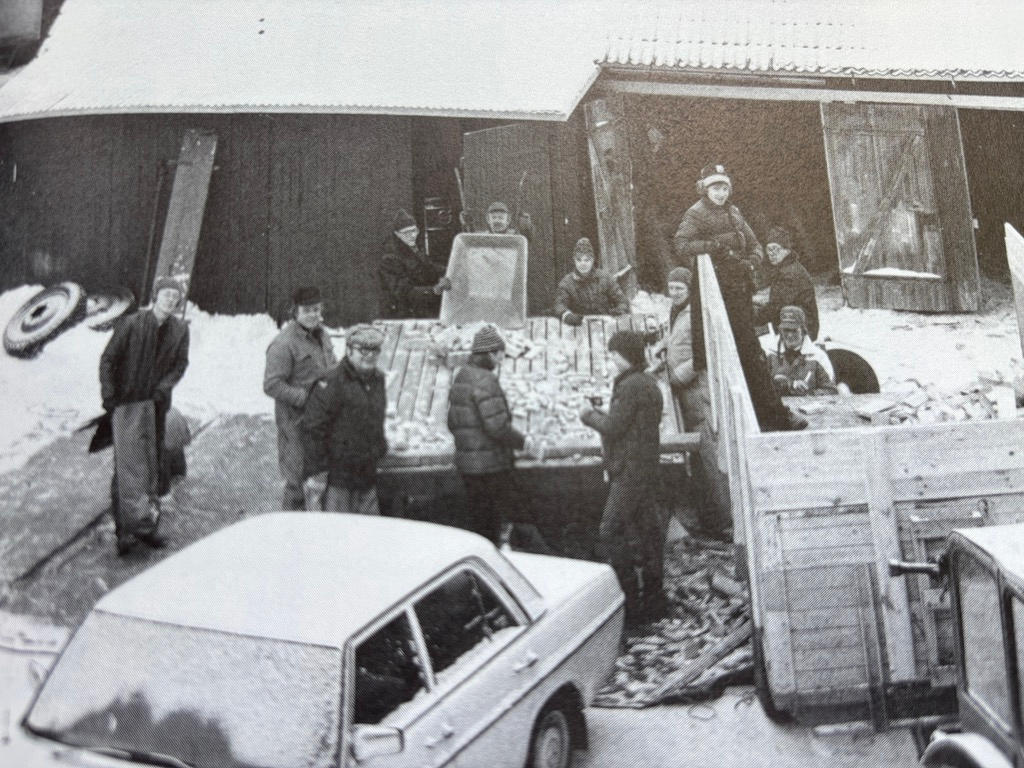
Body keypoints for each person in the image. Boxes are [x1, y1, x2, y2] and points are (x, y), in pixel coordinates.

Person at [674, 163, 806, 431]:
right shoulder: (696, 213)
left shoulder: (734, 212)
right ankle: (765, 414)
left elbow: (754, 244)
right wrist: (713, 247)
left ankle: (765, 413)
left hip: (740, 290)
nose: (721, 193)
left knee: (750, 352)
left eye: (724, 188)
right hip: (717, 295)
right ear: (705, 189)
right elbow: (682, 244)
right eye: (715, 188)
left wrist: (753, 260)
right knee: (737, 352)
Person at [98, 276, 189, 555]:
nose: (170, 300)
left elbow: (180, 364)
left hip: (157, 405)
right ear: (155, 297)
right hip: (128, 404)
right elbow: (108, 359)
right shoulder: (131, 324)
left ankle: (146, 526)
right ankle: (124, 532)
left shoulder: (179, 329)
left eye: (175, 296)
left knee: (151, 464)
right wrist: (109, 394)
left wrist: (164, 387)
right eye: (166, 294)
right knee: (127, 467)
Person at [580, 330, 666, 623]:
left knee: (610, 529)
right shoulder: (647, 383)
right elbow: (629, 422)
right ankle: (654, 600)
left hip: (630, 470)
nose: (612, 360)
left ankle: (629, 599)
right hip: (645, 466)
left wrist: (588, 415)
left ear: (625, 355)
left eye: (614, 354)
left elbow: (614, 427)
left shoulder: (631, 386)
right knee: (648, 532)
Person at [447, 325, 537, 544]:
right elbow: (497, 427)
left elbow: (452, 421)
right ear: (490, 354)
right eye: (500, 355)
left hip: (468, 466)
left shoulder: (462, 375)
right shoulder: (486, 380)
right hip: (491, 466)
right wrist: (524, 442)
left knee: (482, 523)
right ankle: (536, 553)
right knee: (517, 514)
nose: (501, 360)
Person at [263, 286, 337, 510]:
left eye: (316, 309)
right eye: (307, 310)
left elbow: (331, 366)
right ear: (295, 312)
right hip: (295, 423)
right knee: (296, 481)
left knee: (321, 478)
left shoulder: (322, 335)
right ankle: (290, 525)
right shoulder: (283, 344)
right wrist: (306, 398)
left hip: (321, 420)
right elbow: (272, 385)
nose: (313, 315)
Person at [302, 324, 388, 514]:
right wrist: (317, 475)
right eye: (363, 350)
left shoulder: (378, 380)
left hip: (367, 476)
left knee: (369, 530)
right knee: (337, 529)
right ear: (349, 350)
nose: (370, 355)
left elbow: (376, 421)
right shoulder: (331, 382)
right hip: (338, 481)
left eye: (375, 350)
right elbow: (314, 430)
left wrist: (380, 448)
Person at [379, 209, 450, 319]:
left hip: (420, 308)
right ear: (397, 234)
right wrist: (435, 290)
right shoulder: (390, 258)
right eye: (406, 233)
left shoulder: (413, 249)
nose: (412, 235)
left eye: (414, 231)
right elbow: (403, 292)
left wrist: (450, 270)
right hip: (404, 313)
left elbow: (429, 267)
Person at [755, 225, 820, 341]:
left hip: (801, 331)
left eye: (775, 249)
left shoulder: (789, 274)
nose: (771, 254)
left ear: (787, 250)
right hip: (799, 326)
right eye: (768, 249)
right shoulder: (788, 268)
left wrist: (752, 317)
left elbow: (776, 307)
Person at [553, 237, 629, 325]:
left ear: (592, 260)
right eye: (579, 260)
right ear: (574, 260)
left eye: (587, 260)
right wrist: (568, 316)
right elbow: (559, 304)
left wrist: (618, 311)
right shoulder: (567, 283)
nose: (583, 264)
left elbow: (622, 300)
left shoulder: (605, 278)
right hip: (579, 325)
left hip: (604, 324)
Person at [768, 306, 837, 396]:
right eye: (786, 330)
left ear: (803, 330)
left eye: (794, 330)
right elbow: (759, 386)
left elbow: (832, 391)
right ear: (780, 331)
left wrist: (808, 393)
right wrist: (789, 384)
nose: (789, 335)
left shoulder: (818, 357)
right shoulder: (770, 354)